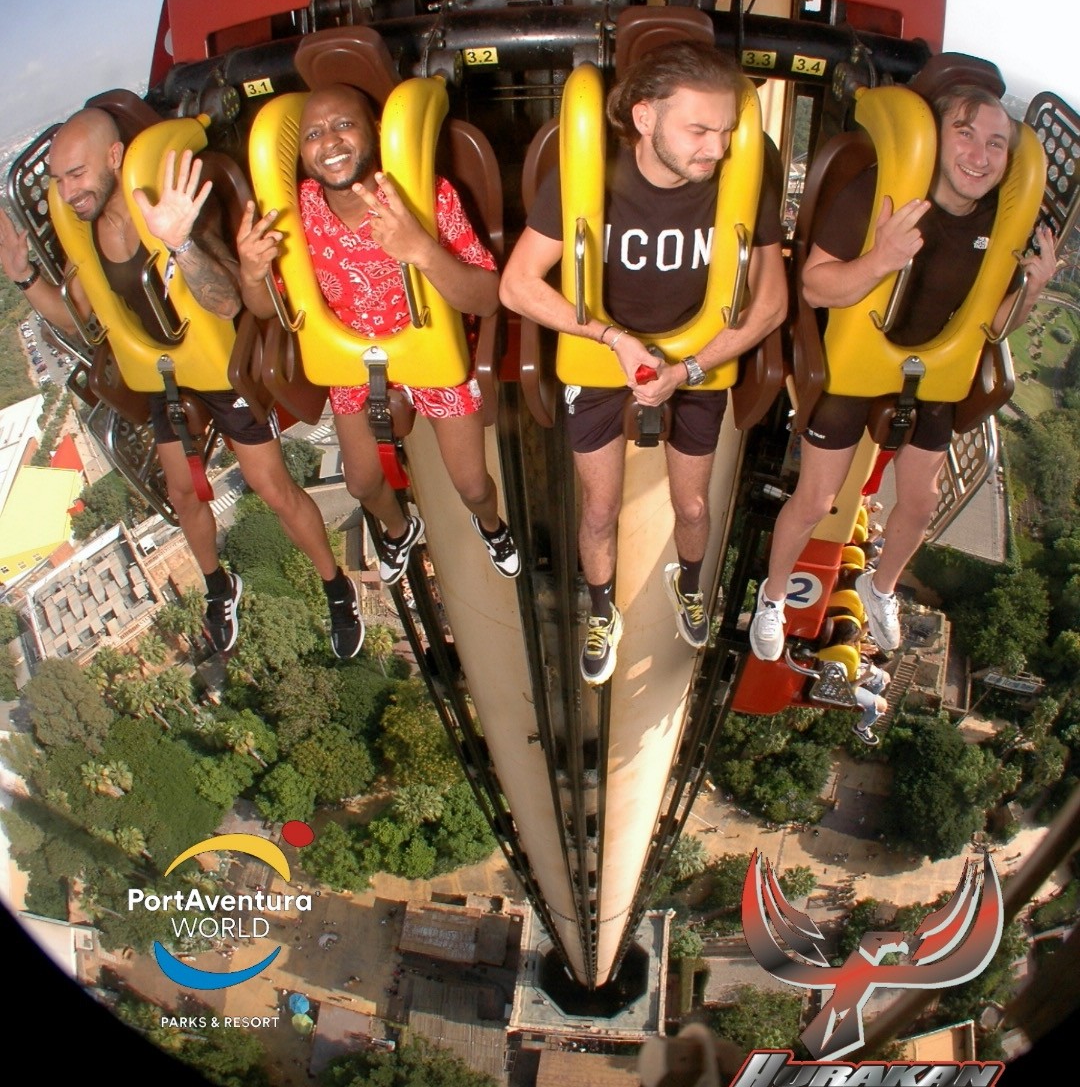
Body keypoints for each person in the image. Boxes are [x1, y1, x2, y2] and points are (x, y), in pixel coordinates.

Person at [0, 106, 364, 658]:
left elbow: (226, 300)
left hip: (216, 364)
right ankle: (219, 586)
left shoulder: (169, 210)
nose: (68, 191)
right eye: (57, 180)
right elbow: (77, 317)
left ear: (115, 158)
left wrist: (180, 243)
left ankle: (336, 586)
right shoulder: (89, 234)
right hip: (160, 372)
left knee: (271, 488)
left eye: (76, 174)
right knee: (183, 494)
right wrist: (23, 276)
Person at [500, 41, 787, 685]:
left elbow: (770, 304)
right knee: (600, 510)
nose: (715, 149)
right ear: (647, 118)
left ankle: (686, 582)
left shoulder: (738, 184)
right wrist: (611, 338)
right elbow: (517, 285)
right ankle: (602, 610)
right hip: (605, 359)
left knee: (691, 509)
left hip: (697, 360)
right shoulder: (586, 180)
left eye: (725, 131)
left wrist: (687, 369)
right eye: (698, 130)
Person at [750, 82, 1058, 661]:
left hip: (931, 366)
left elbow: (992, 325)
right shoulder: (881, 192)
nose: (979, 155)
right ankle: (771, 598)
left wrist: (1032, 291)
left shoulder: (1000, 221)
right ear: (935, 139)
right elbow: (815, 285)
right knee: (817, 500)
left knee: (921, 501)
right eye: (964, 135)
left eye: (995, 143)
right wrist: (881, 259)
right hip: (857, 355)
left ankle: (880, 586)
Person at [236, 83, 519, 583]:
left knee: (473, 486)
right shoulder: (294, 213)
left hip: (433, 351)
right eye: (315, 134)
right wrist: (252, 273)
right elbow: (268, 309)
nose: (331, 142)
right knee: (363, 483)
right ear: (301, 153)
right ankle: (397, 530)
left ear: (377, 133)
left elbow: (488, 295)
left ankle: (493, 525)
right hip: (353, 357)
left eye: (345, 125)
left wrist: (423, 251)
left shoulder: (424, 194)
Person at [852, 652, 891, 748]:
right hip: (843, 687)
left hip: (851, 669)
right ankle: (860, 728)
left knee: (885, 677)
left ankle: (871, 697)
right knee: (882, 706)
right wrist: (863, 678)